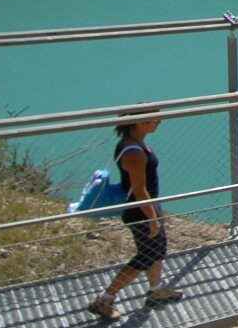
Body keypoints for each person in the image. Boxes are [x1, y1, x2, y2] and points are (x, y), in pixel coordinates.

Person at [87, 111, 183, 319]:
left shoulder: (135, 143)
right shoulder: (134, 152)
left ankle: (156, 290)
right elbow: (139, 189)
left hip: (147, 207)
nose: (158, 122)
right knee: (144, 257)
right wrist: (152, 218)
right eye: (151, 119)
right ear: (136, 123)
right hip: (139, 211)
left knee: (157, 251)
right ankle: (104, 300)